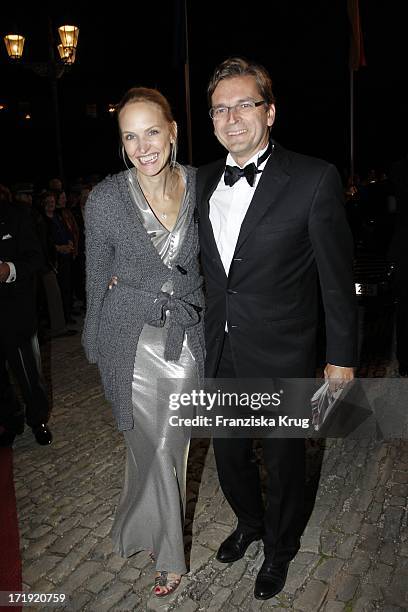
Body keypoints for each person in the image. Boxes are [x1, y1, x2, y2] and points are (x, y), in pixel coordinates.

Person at [196, 58, 357, 600]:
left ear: (269, 112)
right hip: (218, 349)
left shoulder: (313, 178)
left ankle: (280, 547)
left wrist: (341, 359)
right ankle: (248, 522)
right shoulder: (200, 183)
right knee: (229, 451)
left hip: (283, 351)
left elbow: (337, 281)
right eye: (220, 108)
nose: (231, 117)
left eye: (244, 104)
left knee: (286, 460)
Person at [82, 87, 205, 597]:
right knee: (149, 444)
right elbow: (95, 276)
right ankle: (169, 556)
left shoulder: (203, 185)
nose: (143, 146)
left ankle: (141, 524)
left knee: (169, 444)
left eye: (151, 131)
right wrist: (92, 338)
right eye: (129, 137)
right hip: (127, 338)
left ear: (172, 131)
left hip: (186, 333)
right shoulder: (106, 199)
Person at [0, 184, 52, 447]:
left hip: (15, 312)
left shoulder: (17, 216)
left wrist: (9, 269)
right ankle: (10, 421)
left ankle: (38, 420)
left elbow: (36, 259)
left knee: (28, 372)